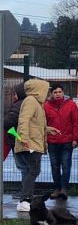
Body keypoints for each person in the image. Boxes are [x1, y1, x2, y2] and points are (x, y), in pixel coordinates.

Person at [8, 80, 52, 212]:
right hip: (30, 143)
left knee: (29, 171)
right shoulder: (31, 101)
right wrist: (24, 138)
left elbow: (35, 124)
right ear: (39, 89)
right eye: (46, 89)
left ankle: (26, 198)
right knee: (33, 170)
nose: (47, 92)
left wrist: (48, 129)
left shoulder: (36, 103)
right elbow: (23, 120)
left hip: (32, 142)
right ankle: (25, 199)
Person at [44, 83, 78, 200]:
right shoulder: (46, 106)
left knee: (66, 166)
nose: (58, 94)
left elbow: (76, 123)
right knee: (54, 166)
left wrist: (75, 139)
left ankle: (64, 189)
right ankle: (57, 188)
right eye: (55, 92)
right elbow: (43, 124)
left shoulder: (71, 105)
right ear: (51, 94)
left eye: (60, 92)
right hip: (52, 141)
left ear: (63, 93)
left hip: (67, 141)